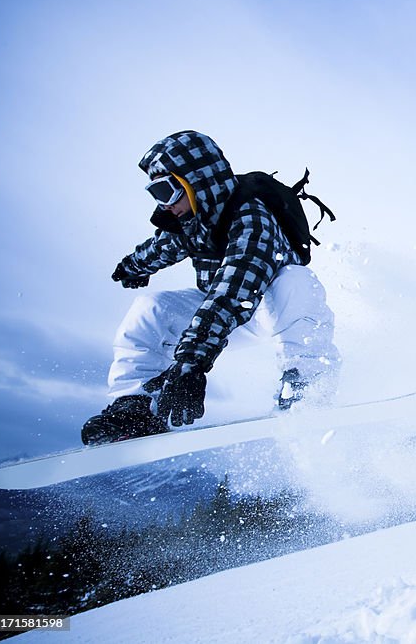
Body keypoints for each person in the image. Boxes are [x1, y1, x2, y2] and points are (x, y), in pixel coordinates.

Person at [81, 130, 341, 445]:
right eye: (154, 194)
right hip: (223, 314)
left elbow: (233, 291)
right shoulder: (194, 222)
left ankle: (306, 387)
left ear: (196, 181)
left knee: (297, 282)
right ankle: (135, 408)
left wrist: (191, 362)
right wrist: (133, 267)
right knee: (150, 309)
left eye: (166, 190)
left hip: (267, 309)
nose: (163, 204)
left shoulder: (251, 219)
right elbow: (162, 247)